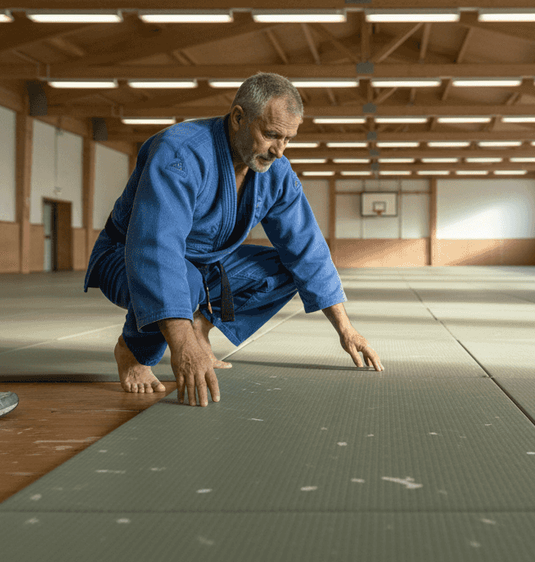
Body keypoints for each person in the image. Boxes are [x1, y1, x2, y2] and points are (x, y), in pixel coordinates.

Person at [84, 72, 383, 406]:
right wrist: (182, 347)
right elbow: (156, 246)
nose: (279, 151)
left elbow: (307, 249)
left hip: (204, 261)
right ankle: (134, 352)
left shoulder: (276, 173)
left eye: (288, 139)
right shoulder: (180, 153)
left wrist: (346, 328)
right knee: (186, 278)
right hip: (127, 254)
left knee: (289, 269)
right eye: (271, 135)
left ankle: (199, 326)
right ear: (239, 117)